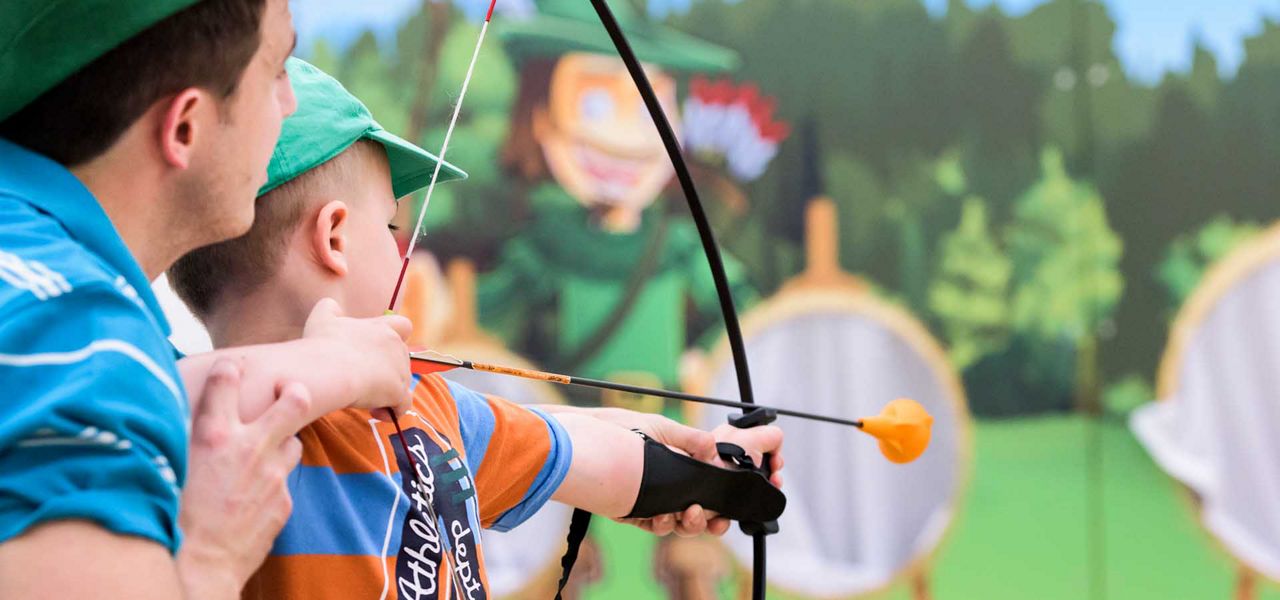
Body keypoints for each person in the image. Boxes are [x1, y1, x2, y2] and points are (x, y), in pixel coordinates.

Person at [168, 59, 785, 599]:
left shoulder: (425, 410)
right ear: (334, 239)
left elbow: (576, 448)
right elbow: (180, 392)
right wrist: (338, 366)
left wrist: (705, 468)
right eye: (389, 227)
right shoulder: (191, 427)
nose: (402, 247)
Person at [0, 2, 414, 597]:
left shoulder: (49, 303)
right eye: (277, 69)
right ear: (185, 127)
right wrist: (211, 560)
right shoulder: (82, 337)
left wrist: (331, 363)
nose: (289, 103)